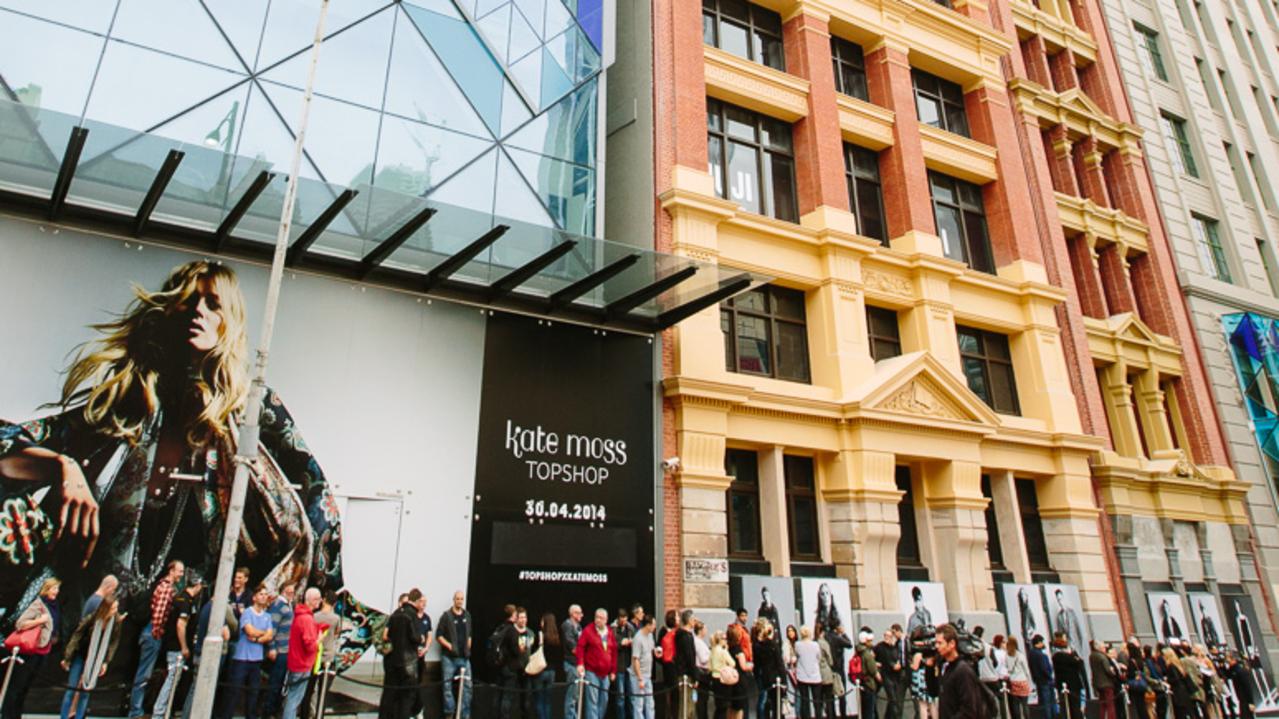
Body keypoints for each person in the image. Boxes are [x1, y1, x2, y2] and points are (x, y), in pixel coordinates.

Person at [0, 262, 345, 630]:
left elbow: (318, 490)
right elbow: (11, 441)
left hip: (187, 624)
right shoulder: (130, 401)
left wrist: (313, 594)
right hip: (92, 613)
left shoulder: (252, 408)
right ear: (168, 310)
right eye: (187, 300)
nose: (199, 311)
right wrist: (63, 466)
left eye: (213, 303)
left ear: (230, 321)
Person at [129, 559, 184, 719]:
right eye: (179, 571)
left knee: (145, 671)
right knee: (144, 673)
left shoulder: (163, 585)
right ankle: (135, 711)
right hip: (152, 633)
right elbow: (158, 615)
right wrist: (157, 631)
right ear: (171, 571)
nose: (181, 574)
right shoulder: (166, 588)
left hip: (151, 632)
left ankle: (137, 709)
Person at [0, 578, 61, 719]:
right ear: (47, 589)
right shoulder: (38, 604)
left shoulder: (55, 605)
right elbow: (20, 624)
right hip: (28, 653)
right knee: (16, 687)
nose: (56, 592)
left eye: (57, 589)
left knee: (25, 688)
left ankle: (17, 714)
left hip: (42, 651)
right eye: (54, 588)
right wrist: (40, 620)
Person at [60, 592, 124, 719]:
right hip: (81, 655)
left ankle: (79, 717)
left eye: (116, 607)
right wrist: (67, 656)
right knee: (71, 690)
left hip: (96, 660)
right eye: (113, 608)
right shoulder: (93, 618)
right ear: (105, 608)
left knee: (85, 692)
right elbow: (77, 635)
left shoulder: (116, 621)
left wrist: (106, 661)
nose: (115, 611)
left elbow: (113, 642)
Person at [152, 570, 205, 718]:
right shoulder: (186, 602)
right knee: (172, 680)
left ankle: (164, 711)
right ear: (198, 585)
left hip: (172, 645)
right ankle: (159, 712)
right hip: (176, 648)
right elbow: (180, 625)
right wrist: (184, 647)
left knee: (173, 679)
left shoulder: (180, 598)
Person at [219, 584, 275, 719]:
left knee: (253, 693)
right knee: (234, 691)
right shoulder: (247, 613)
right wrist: (262, 634)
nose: (264, 597)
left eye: (265, 594)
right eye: (261, 594)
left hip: (256, 659)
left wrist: (257, 639)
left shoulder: (267, 616)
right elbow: (249, 630)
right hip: (242, 658)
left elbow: (270, 635)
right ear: (254, 597)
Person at [282, 587, 327, 719]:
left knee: (292, 697)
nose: (320, 602)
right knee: (294, 699)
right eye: (318, 599)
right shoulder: (306, 619)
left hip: (296, 661)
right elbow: (310, 645)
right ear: (313, 600)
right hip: (302, 664)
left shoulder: (300, 616)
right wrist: (319, 639)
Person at [381, 588, 424, 719]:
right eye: (421, 601)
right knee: (406, 698)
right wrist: (421, 638)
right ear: (416, 601)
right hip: (408, 663)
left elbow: (386, 635)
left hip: (393, 661)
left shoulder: (395, 614)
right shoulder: (413, 615)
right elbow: (415, 637)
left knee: (389, 696)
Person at [301, 590, 343, 719]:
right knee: (323, 691)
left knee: (309, 688)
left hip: (314, 654)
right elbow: (337, 633)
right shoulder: (336, 618)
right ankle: (320, 715)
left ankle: (305, 714)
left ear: (324, 599)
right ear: (335, 603)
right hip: (328, 656)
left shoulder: (315, 616)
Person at [935, 623, 986, 719]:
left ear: (952, 644)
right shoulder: (945, 666)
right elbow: (933, 691)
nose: (936, 646)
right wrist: (929, 666)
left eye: (940, 643)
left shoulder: (962, 670)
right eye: (935, 643)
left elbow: (969, 709)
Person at [577, 608, 618, 719]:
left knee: (604, 700)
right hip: (592, 672)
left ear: (606, 620)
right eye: (596, 617)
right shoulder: (588, 630)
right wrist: (580, 663)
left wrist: (613, 670)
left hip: (605, 674)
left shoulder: (609, 632)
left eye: (601, 618)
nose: (598, 620)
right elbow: (580, 647)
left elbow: (614, 651)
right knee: (592, 701)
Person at [264, 582, 298, 718]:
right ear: (282, 590)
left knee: (280, 683)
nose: (291, 592)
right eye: (288, 590)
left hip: (287, 649)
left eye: (293, 590)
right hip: (280, 650)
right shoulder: (278, 606)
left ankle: (274, 709)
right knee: (275, 682)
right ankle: (268, 711)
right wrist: (272, 647)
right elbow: (272, 628)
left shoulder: (289, 605)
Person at [437, 590, 473, 719]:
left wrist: (468, 645)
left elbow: (470, 634)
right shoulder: (446, 616)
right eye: (457, 599)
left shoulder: (467, 615)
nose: (460, 601)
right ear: (454, 600)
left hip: (464, 656)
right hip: (449, 657)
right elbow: (439, 635)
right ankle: (449, 713)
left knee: (468, 687)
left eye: (461, 599)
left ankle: (464, 715)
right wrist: (449, 646)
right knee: (447, 687)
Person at [499, 607, 538, 718]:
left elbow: (532, 650)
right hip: (511, 669)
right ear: (516, 619)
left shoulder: (530, 633)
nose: (523, 620)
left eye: (525, 617)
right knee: (508, 697)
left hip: (526, 670)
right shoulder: (510, 631)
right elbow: (512, 650)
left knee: (526, 698)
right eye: (520, 617)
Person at [1051, 631, 1086, 719]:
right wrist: (1074, 657)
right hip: (1072, 685)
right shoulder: (1064, 657)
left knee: (1069, 707)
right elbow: (1079, 663)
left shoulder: (1056, 657)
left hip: (1065, 685)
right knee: (1074, 707)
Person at [752, 618, 783, 719]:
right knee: (767, 701)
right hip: (768, 675)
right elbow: (779, 663)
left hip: (762, 674)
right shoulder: (770, 645)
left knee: (765, 700)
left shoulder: (758, 644)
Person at [633, 614, 658, 719]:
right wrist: (639, 678)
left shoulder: (650, 635)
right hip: (640, 675)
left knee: (650, 702)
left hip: (648, 674)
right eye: (653, 625)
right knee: (639, 703)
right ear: (648, 625)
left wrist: (656, 652)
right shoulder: (638, 638)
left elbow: (652, 649)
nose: (654, 627)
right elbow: (635, 659)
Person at [876, 628, 905, 719]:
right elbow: (872, 656)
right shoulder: (879, 646)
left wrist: (899, 664)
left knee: (894, 699)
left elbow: (900, 657)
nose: (887, 638)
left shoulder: (895, 647)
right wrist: (877, 666)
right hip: (886, 674)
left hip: (896, 675)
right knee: (892, 698)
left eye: (889, 636)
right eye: (885, 636)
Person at [794, 625, 822, 719]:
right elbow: (819, 657)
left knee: (805, 701)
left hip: (802, 675)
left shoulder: (797, 645)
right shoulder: (815, 645)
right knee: (817, 701)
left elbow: (797, 656)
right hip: (815, 675)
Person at [563, 604, 585, 719]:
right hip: (571, 664)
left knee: (576, 696)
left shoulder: (578, 626)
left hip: (578, 664)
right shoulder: (567, 625)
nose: (582, 615)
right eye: (579, 613)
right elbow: (573, 647)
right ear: (573, 613)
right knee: (571, 696)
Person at [1163, 647, 1197, 719]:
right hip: (1184, 691)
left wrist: (1167, 680)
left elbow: (1176, 678)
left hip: (1178, 693)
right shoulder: (1178, 664)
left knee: (1181, 713)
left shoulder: (1171, 666)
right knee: (1189, 712)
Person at [614, 608, 635, 719]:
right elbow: (611, 646)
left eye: (625, 618)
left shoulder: (630, 628)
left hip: (629, 666)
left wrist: (632, 643)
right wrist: (621, 643)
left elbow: (636, 643)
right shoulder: (613, 629)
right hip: (619, 667)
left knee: (631, 696)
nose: (624, 620)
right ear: (618, 618)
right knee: (620, 697)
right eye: (622, 618)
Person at [1029, 635, 1057, 719]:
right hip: (1046, 681)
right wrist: (1050, 677)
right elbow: (1044, 669)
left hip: (1038, 681)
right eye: (1042, 642)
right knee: (1049, 702)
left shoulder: (1031, 654)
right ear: (1039, 643)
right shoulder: (1041, 655)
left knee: (1043, 702)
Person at [709, 631, 735, 719]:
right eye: (724, 639)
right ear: (720, 640)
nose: (726, 641)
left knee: (719, 706)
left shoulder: (712, 650)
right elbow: (732, 663)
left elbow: (709, 666)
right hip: (723, 679)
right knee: (724, 706)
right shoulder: (723, 651)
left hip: (714, 678)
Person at [856, 629, 880, 719]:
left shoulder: (858, 651)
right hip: (869, 684)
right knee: (870, 711)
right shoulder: (867, 654)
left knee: (865, 710)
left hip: (861, 682)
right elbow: (873, 670)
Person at [1006, 636, 1031, 719]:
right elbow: (1026, 669)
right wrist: (1029, 680)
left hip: (1013, 681)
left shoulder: (1006, 656)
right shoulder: (1020, 655)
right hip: (1022, 680)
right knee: (1025, 704)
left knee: (1015, 704)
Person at [1224, 651, 1255, 719]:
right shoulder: (1233, 669)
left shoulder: (1240, 671)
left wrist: (1251, 702)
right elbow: (1227, 674)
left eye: (1228, 658)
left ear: (1233, 659)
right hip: (1241, 699)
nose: (1226, 660)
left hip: (1246, 700)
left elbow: (1247, 687)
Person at [909, 649, 939, 719]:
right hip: (929, 681)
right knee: (932, 704)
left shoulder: (917, 655)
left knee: (922, 705)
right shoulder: (932, 655)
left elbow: (915, 667)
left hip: (920, 680)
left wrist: (910, 665)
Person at [816, 624, 838, 719]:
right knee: (829, 699)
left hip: (817, 673)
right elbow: (830, 659)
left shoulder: (815, 643)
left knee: (819, 700)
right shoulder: (824, 643)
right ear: (823, 632)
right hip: (826, 672)